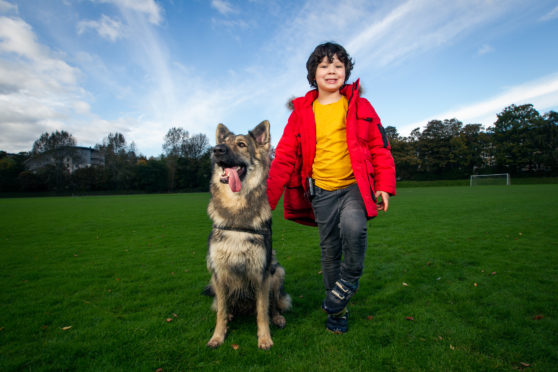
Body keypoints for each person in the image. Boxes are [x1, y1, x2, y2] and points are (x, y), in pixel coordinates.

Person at [266, 42, 396, 333]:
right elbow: (284, 158)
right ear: (313, 73)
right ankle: (337, 312)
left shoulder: (360, 105)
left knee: (354, 228)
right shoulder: (301, 112)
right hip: (320, 192)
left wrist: (384, 186)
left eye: (338, 65)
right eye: (324, 65)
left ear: (346, 71)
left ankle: (349, 280)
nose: (332, 70)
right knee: (329, 251)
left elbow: (379, 146)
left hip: (354, 186)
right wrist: (267, 201)